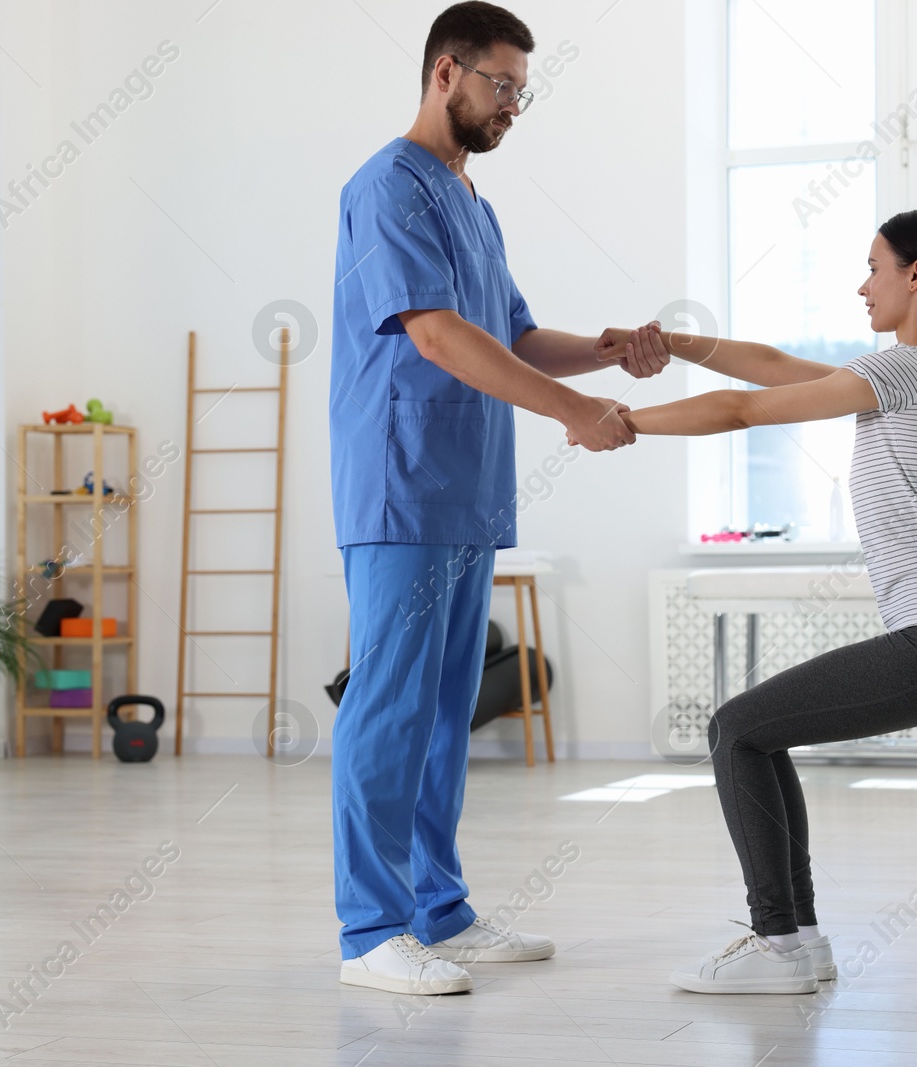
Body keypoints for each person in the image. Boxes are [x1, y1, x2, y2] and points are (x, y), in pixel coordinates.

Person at [589, 207, 917, 994]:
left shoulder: (903, 372)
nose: (862, 285)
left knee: (734, 730)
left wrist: (622, 421)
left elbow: (746, 408)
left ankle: (777, 941)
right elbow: (772, 365)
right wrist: (671, 342)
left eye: (874, 267)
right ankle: (799, 940)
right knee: (755, 734)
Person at [328, 1, 656, 997]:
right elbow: (434, 334)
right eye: (500, 85)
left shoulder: (473, 203)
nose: (514, 105)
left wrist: (605, 351)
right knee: (386, 707)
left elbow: (507, 333)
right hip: (399, 482)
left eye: (523, 89)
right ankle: (369, 930)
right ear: (444, 73)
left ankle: (441, 909)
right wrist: (571, 410)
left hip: (467, 492)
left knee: (440, 711)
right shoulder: (386, 186)